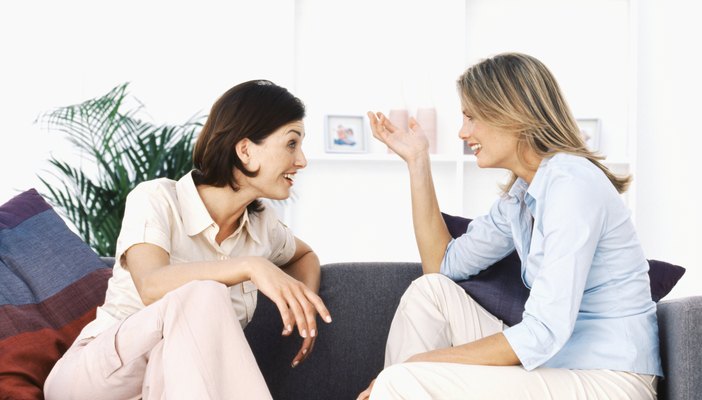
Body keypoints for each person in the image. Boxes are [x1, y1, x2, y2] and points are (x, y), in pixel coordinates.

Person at [357, 53, 661, 399]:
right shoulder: (522, 195)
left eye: (471, 117)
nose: (462, 132)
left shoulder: (572, 185)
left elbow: (543, 331)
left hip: (608, 379)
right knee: (430, 293)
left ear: (512, 115)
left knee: (404, 379)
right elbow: (441, 267)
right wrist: (417, 161)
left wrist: (418, 365)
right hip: (559, 364)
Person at [44, 80, 332, 400]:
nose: (302, 160)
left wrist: (301, 307)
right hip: (95, 376)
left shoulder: (263, 228)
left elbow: (304, 256)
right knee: (204, 293)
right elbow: (151, 284)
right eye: (292, 144)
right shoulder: (157, 199)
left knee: (187, 346)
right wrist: (252, 266)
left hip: (170, 381)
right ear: (246, 150)